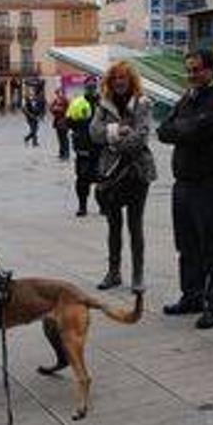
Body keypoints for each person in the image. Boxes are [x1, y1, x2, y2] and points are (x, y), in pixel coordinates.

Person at [157, 49, 213, 330]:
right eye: (189, 69)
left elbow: (194, 131)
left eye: (198, 69)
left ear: (212, 70)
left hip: (208, 183)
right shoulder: (187, 99)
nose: (192, 74)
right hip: (183, 184)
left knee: (212, 246)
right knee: (186, 244)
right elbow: (164, 130)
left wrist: (184, 128)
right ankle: (192, 296)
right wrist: (185, 127)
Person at [90, 61, 157, 293]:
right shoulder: (103, 104)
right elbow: (94, 133)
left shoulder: (142, 103)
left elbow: (141, 138)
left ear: (131, 80)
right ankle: (113, 272)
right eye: (115, 78)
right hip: (111, 172)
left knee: (135, 225)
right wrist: (118, 131)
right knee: (113, 224)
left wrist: (113, 139)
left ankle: (138, 274)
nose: (119, 82)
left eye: (123, 78)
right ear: (110, 81)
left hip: (137, 172)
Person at [66, 78, 100, 217]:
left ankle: (103, 206)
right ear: (85, 87)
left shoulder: (103, 102)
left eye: (93, 86)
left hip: (100, 146)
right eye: (89, 86)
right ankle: (82, 206)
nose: (91, 89)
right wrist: (81, 128)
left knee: (103, 178)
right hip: (83, 147)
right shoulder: (77, 102)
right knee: (82, 178)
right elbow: (68, 121)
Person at [50, 88, 71, 160]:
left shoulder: (66, 100)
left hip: (64, 122)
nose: (57, 95)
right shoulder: (56, 101)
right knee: (60, 138)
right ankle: (61, 153)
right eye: (57, 93)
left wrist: (58, 109)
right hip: (57, 122)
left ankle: (66, 154)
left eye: (58, 93)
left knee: (64, 138)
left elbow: (68, 110)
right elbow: (51, 108)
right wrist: (55, 109)